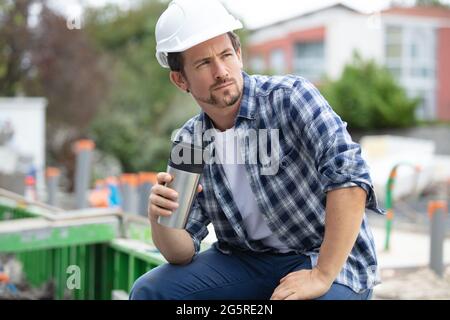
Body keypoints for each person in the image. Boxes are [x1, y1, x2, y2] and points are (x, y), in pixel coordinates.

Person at [130, 0, 385, 300]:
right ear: (180, 79)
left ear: (238, 54)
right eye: (203, 63)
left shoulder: (290, 99)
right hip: (245, 260)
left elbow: (350, 178)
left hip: (321, 256)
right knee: (150, 292)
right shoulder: (190, 141)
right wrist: (160, 219)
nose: (221, 71)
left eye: (226, 55)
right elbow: (181, 253)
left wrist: (322, 275)